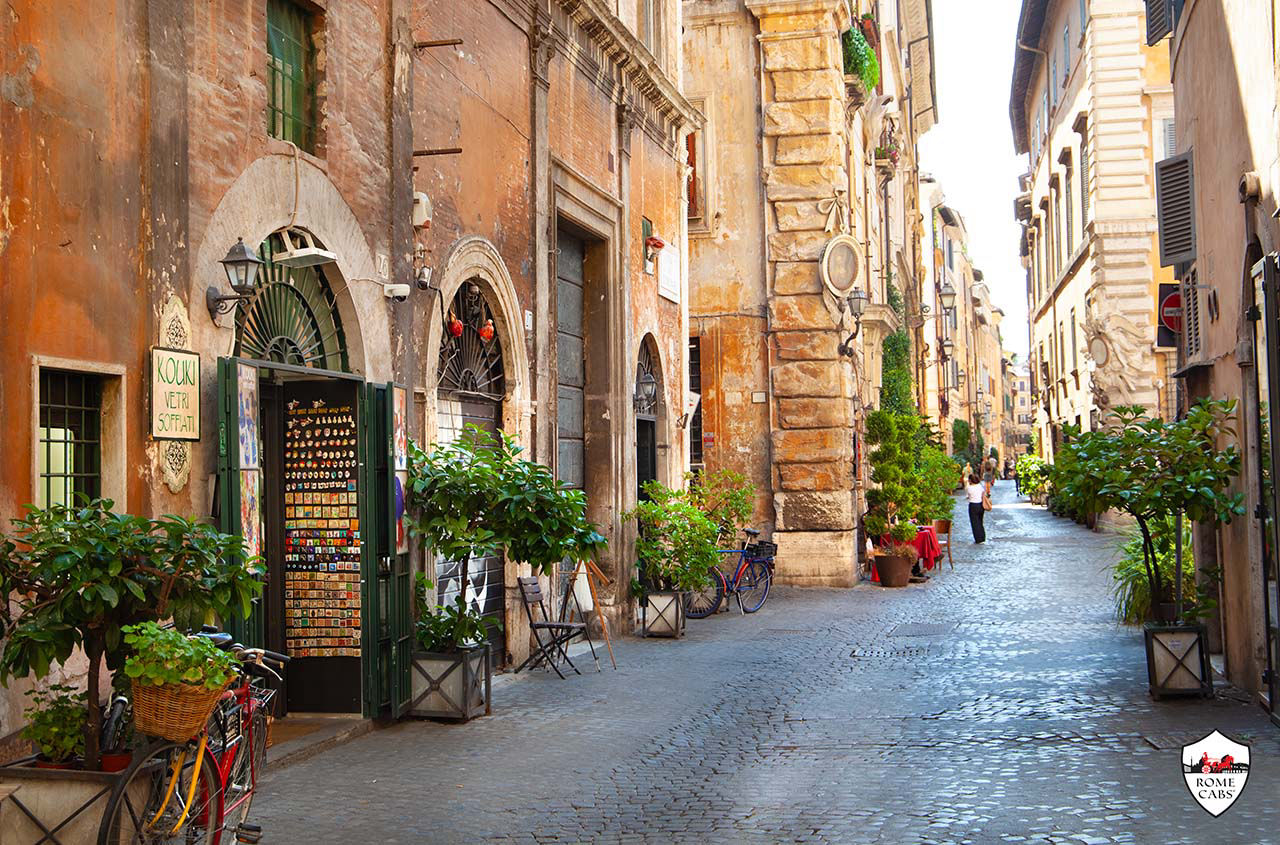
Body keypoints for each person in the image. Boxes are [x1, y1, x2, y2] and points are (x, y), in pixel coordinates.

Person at [966, 472, 989, 543]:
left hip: (973, 505)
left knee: (975, 522)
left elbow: (968, 496)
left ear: (970, 480)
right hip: (980, 505)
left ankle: (978, 538)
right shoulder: (980, 486)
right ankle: (982, 536)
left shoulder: (969, 488)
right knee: (980, 521)